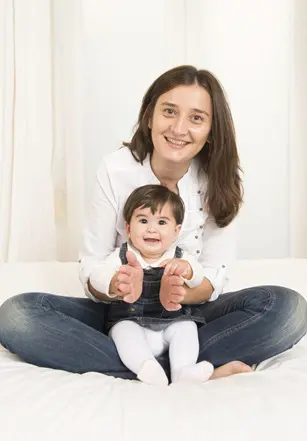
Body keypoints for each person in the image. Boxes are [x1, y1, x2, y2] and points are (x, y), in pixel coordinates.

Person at [0, 65, 306, 381]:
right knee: (15, 317)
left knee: (289, 309)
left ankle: (150, 366)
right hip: (122, 314)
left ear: (212, 130)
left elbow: (216, 275)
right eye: (169, 112)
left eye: (196, 118)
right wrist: (116, 286)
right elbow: (91, 265)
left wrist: (181, 294)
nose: (179, 128)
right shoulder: (115, 170)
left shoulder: (218, 181)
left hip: (187, 316)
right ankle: (184, 370)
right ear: (150, 117)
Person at [94, 184, 215, 386]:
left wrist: (187, 269)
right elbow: (97, 275)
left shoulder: (180, 257)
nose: (152, 229)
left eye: (161, 222)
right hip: (132, 321)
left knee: (187, 326)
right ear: (129, 228)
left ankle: (182, 371)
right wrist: (114, 283)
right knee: (122, 330)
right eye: (143, 220)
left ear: (176, 231)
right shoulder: (123, 257)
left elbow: (199, 278)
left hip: (171, 322)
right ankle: (146, 367)